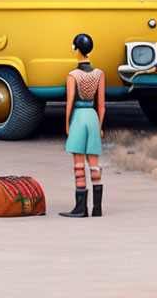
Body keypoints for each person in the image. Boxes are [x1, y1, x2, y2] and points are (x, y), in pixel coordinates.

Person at [60, 33, 105, 218]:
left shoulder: (73, 75)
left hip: (79, 116)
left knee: (79, 164)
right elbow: (101, 105)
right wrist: (100, 126)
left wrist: (67, 123)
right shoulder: (99, 74)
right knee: (94, 163)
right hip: (93, 118)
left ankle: (80, 208)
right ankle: (97, 208)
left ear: (75, 49)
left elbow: (69, 102)